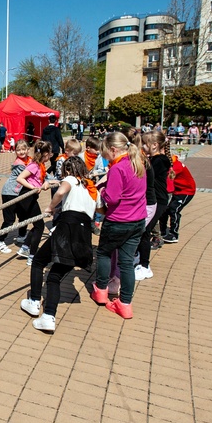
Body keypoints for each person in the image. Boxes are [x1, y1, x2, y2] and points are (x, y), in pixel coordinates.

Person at [21, 156, 96, 333]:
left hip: (68, 229)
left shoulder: (71, 179)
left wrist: (51, 207)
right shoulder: (91, 191)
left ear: (68, 170)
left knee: (39, 261)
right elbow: (100, 209)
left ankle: (33, 301)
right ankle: (48, 317)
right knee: (55, 275)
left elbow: (61, 191)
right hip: (84, 236)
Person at [90, 132, 147, 320]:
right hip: (137, 220)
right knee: (126, 263)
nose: (104, 156)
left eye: (105, 152)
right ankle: (125, 303)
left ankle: (101, 290)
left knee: (104, 253)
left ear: (113, 150)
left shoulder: (117, 168)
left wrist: (103, 190)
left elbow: (112, 198)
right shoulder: (137, 163)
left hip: (118, 220)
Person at [136, 131, 170, 281]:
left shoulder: (160, 160)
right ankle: (138, 258)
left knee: (145, 231)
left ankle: (145, 266)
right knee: (142, 230)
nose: (143, 146)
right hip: (153, 200)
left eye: (145, 143)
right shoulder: (154, 159)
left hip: (159, 200)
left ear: (154, 145)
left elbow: (149, 175)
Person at [16, 140, 56, 266]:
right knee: (39, 226)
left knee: (37, 225)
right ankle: (32, 255)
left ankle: (25, 248)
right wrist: (32, 188)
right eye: (49, 153)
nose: (51, 156)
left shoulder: (41, 165)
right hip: (26, 196)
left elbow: (40, 180)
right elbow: (20, 178)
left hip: (32, 197)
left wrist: (44, 183)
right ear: (44, 154)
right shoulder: (34, 165)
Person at [0, 140, 31, 253]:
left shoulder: (29, 160)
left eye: (23, 149)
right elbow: (32, 174)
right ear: (15, 151)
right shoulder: (19, 164)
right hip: (9, 193)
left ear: (28, 150)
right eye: (18, 150)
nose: (21, 152)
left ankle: (22, 235)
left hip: (19, 193)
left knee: (23, 215)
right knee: (9, 220)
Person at [161, 156, 196, 243]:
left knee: (174, 209)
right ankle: (163, 230)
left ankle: (174, 234)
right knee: (165, 210)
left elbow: (167, 180)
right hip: (177, 191)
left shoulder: (176, 166)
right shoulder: (171, 163)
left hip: (186, 191)